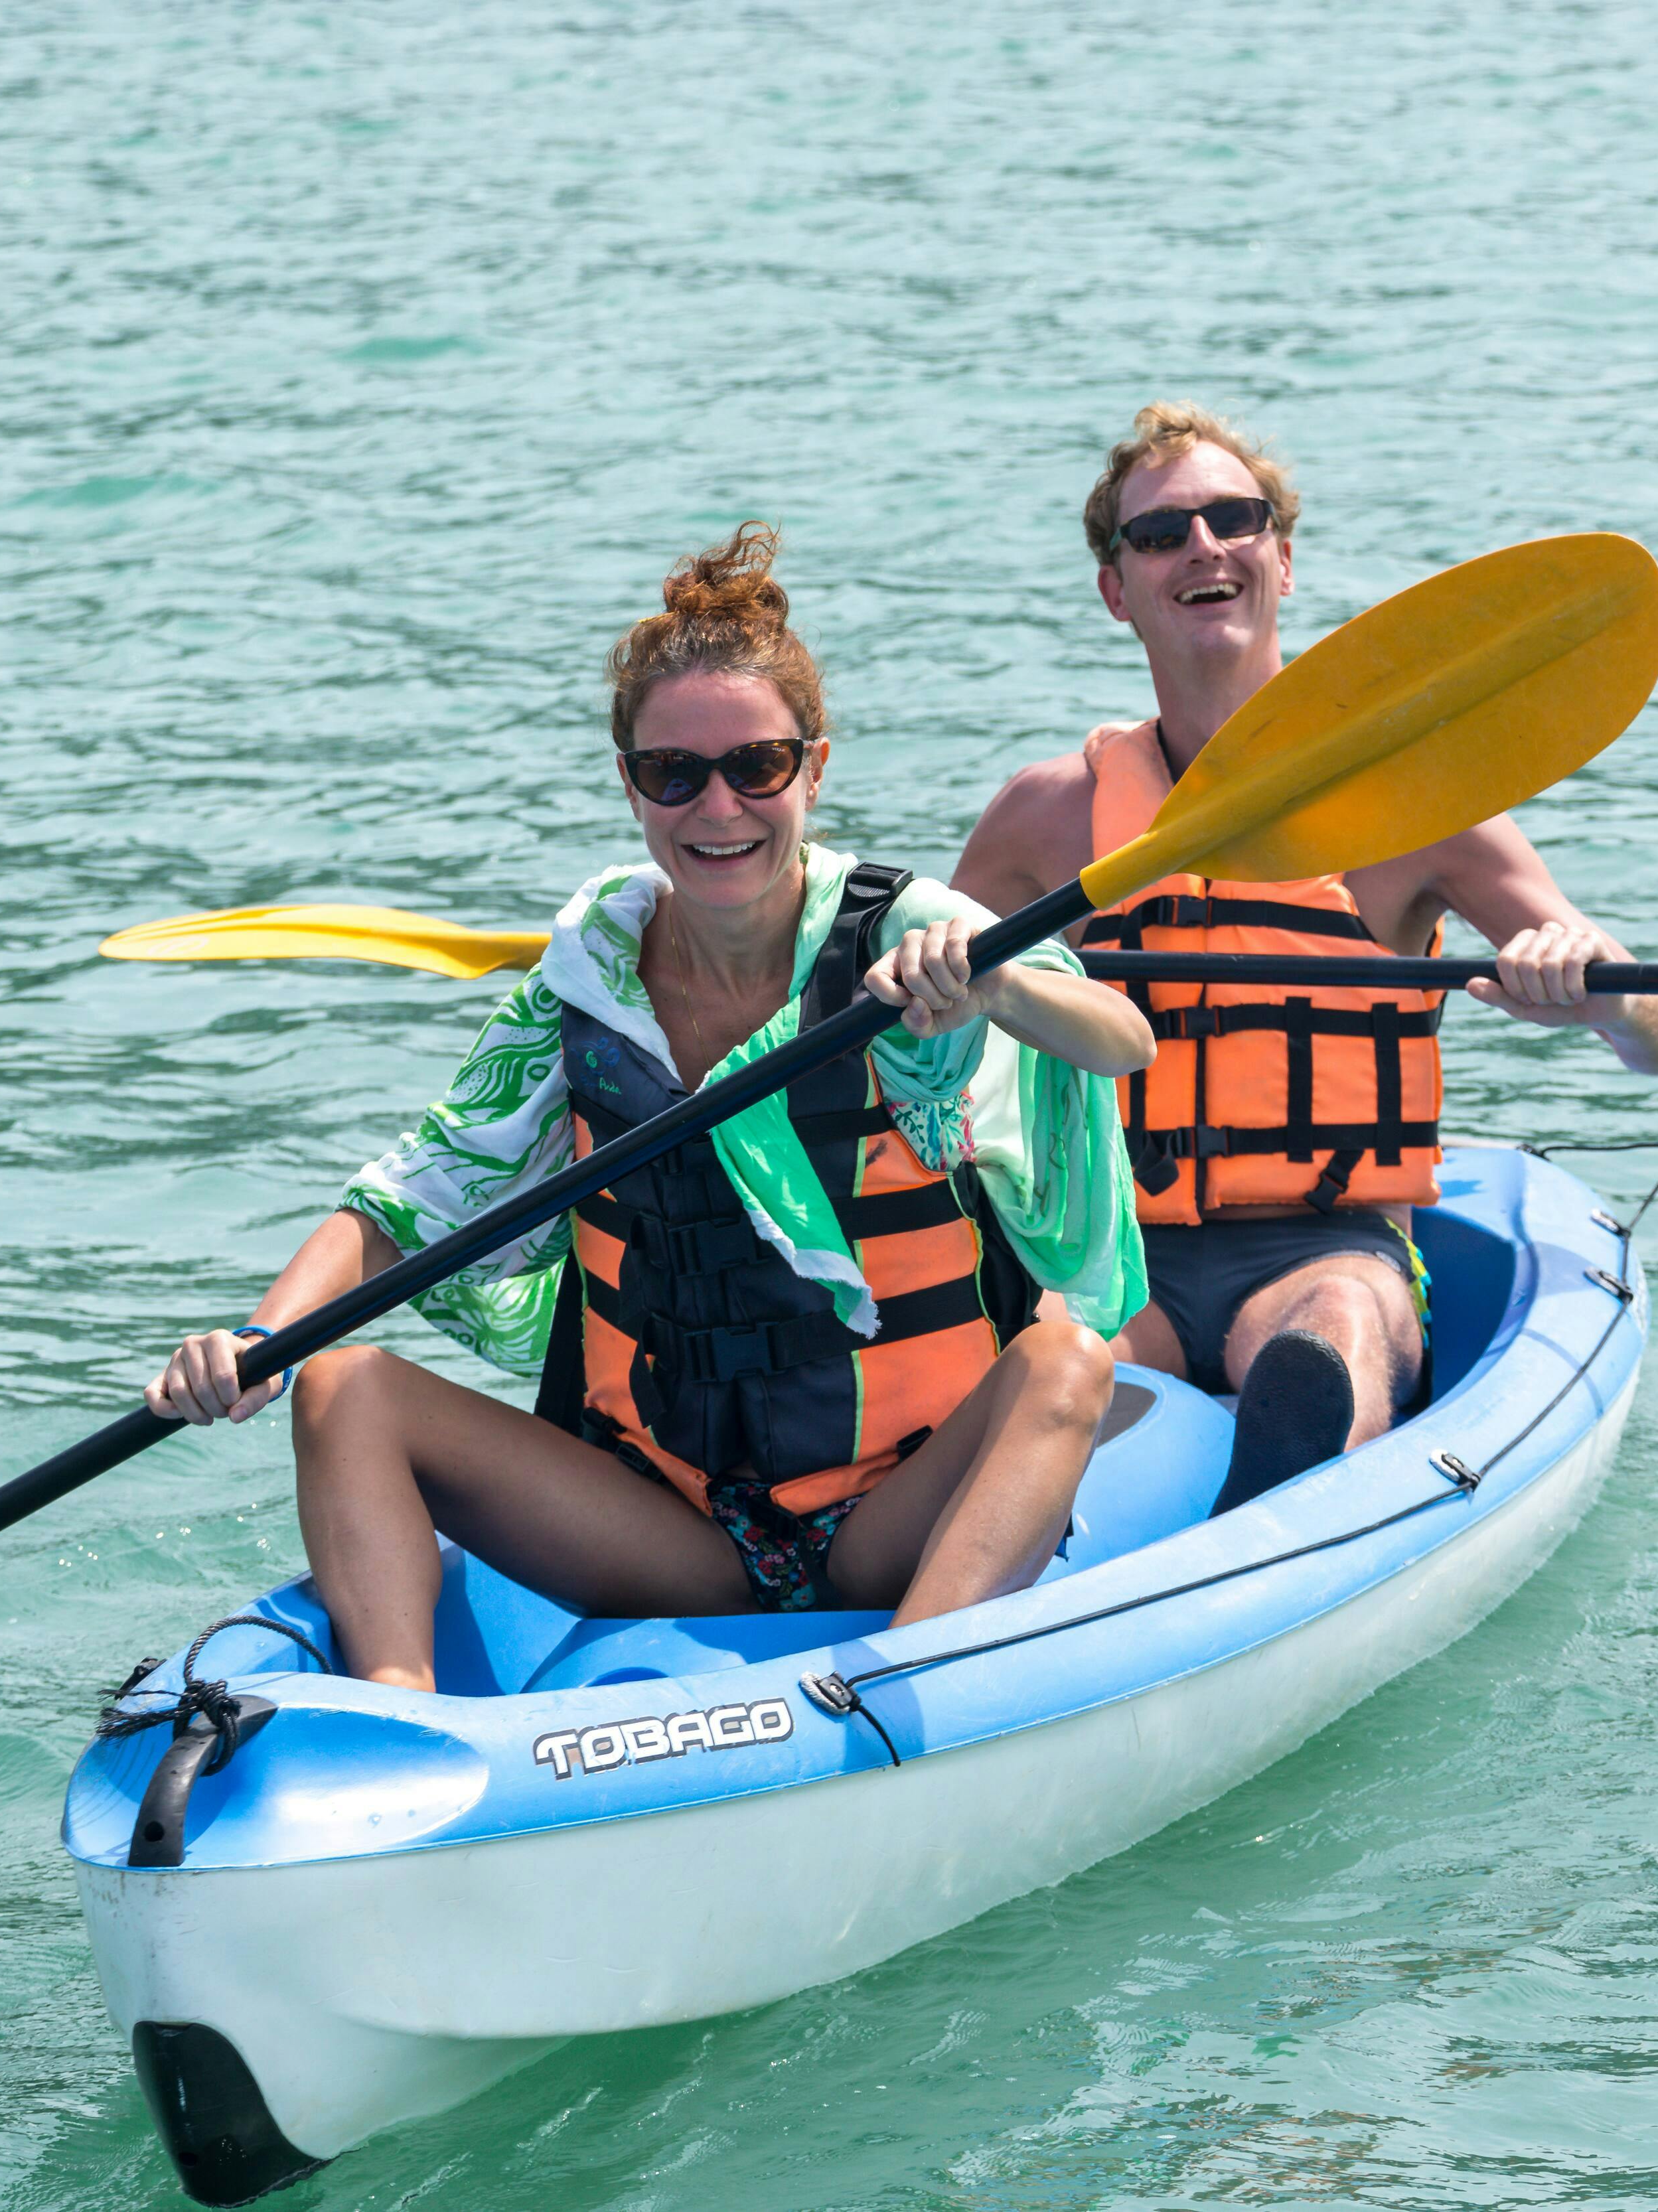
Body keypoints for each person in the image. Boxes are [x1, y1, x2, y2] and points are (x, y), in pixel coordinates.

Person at [146, 525, 1156, 1690]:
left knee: (1070, 1359)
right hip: (672, 1531)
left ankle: (907, 1698)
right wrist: (264, 1341)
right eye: (675, 772)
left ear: (813, 770)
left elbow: (1118, 1042)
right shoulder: (589, 985)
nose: (719, 805)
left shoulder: (904, 927)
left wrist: (995, 982)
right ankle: (398, 1742)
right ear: (631, 784)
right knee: (339, 1383)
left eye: (758, 767)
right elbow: (405, 1197)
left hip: (899, 1512)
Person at [952, 404, 1658, 1503]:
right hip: (1118, 1260)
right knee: (1047, 1363)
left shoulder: (1416, 810)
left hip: (1326, 1248)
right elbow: (912, 1036)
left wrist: (1595, 993)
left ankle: (1281, 1498)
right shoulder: (1047, 819)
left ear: (1282, 560)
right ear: (1118, 591)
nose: (1203, 545)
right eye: (1161, 534)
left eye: (1233, 519)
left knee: (1327, 1330)